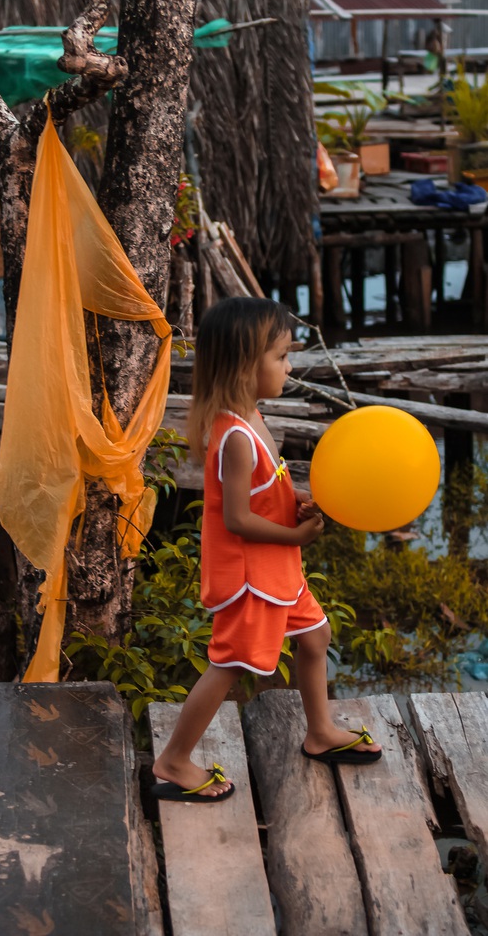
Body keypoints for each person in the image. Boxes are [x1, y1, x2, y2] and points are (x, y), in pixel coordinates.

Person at [151, 297, 381, 803]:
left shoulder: (252, 415)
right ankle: (173, 760)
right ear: (243, 365)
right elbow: (236, 518)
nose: (290, 366)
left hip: (277, 570)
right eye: (280, 357)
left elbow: (265, 488)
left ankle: (319, 732)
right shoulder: (233, 436)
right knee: (230, 664)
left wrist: (296, 499)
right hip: (252, 576)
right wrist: (297, 537)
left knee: (316, 636)